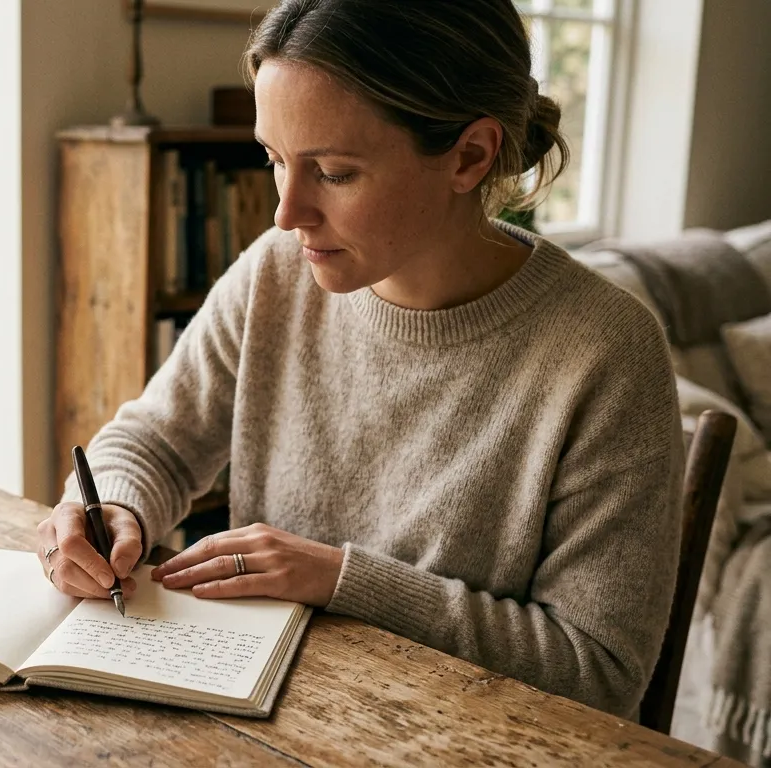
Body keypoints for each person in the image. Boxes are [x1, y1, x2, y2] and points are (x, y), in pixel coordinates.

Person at [37, 0, 683, 719]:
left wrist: (342, 580)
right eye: (275, 160)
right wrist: (111, 505)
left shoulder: (608, 352)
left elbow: (598, 673)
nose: (286, 213)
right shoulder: (276, 273)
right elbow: (156, 440)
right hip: (263, 721)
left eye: (335, 172)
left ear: (469, 156)